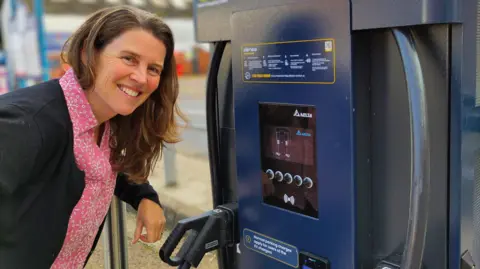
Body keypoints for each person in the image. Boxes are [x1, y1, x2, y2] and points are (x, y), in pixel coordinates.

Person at [0, 5, 187, 269]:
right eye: (129, 58)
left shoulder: (105, 119)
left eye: (154, 69)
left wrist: (145, 196)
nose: (141, 77)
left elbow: (104, 164)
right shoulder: (27, 123)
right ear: (88, 53)